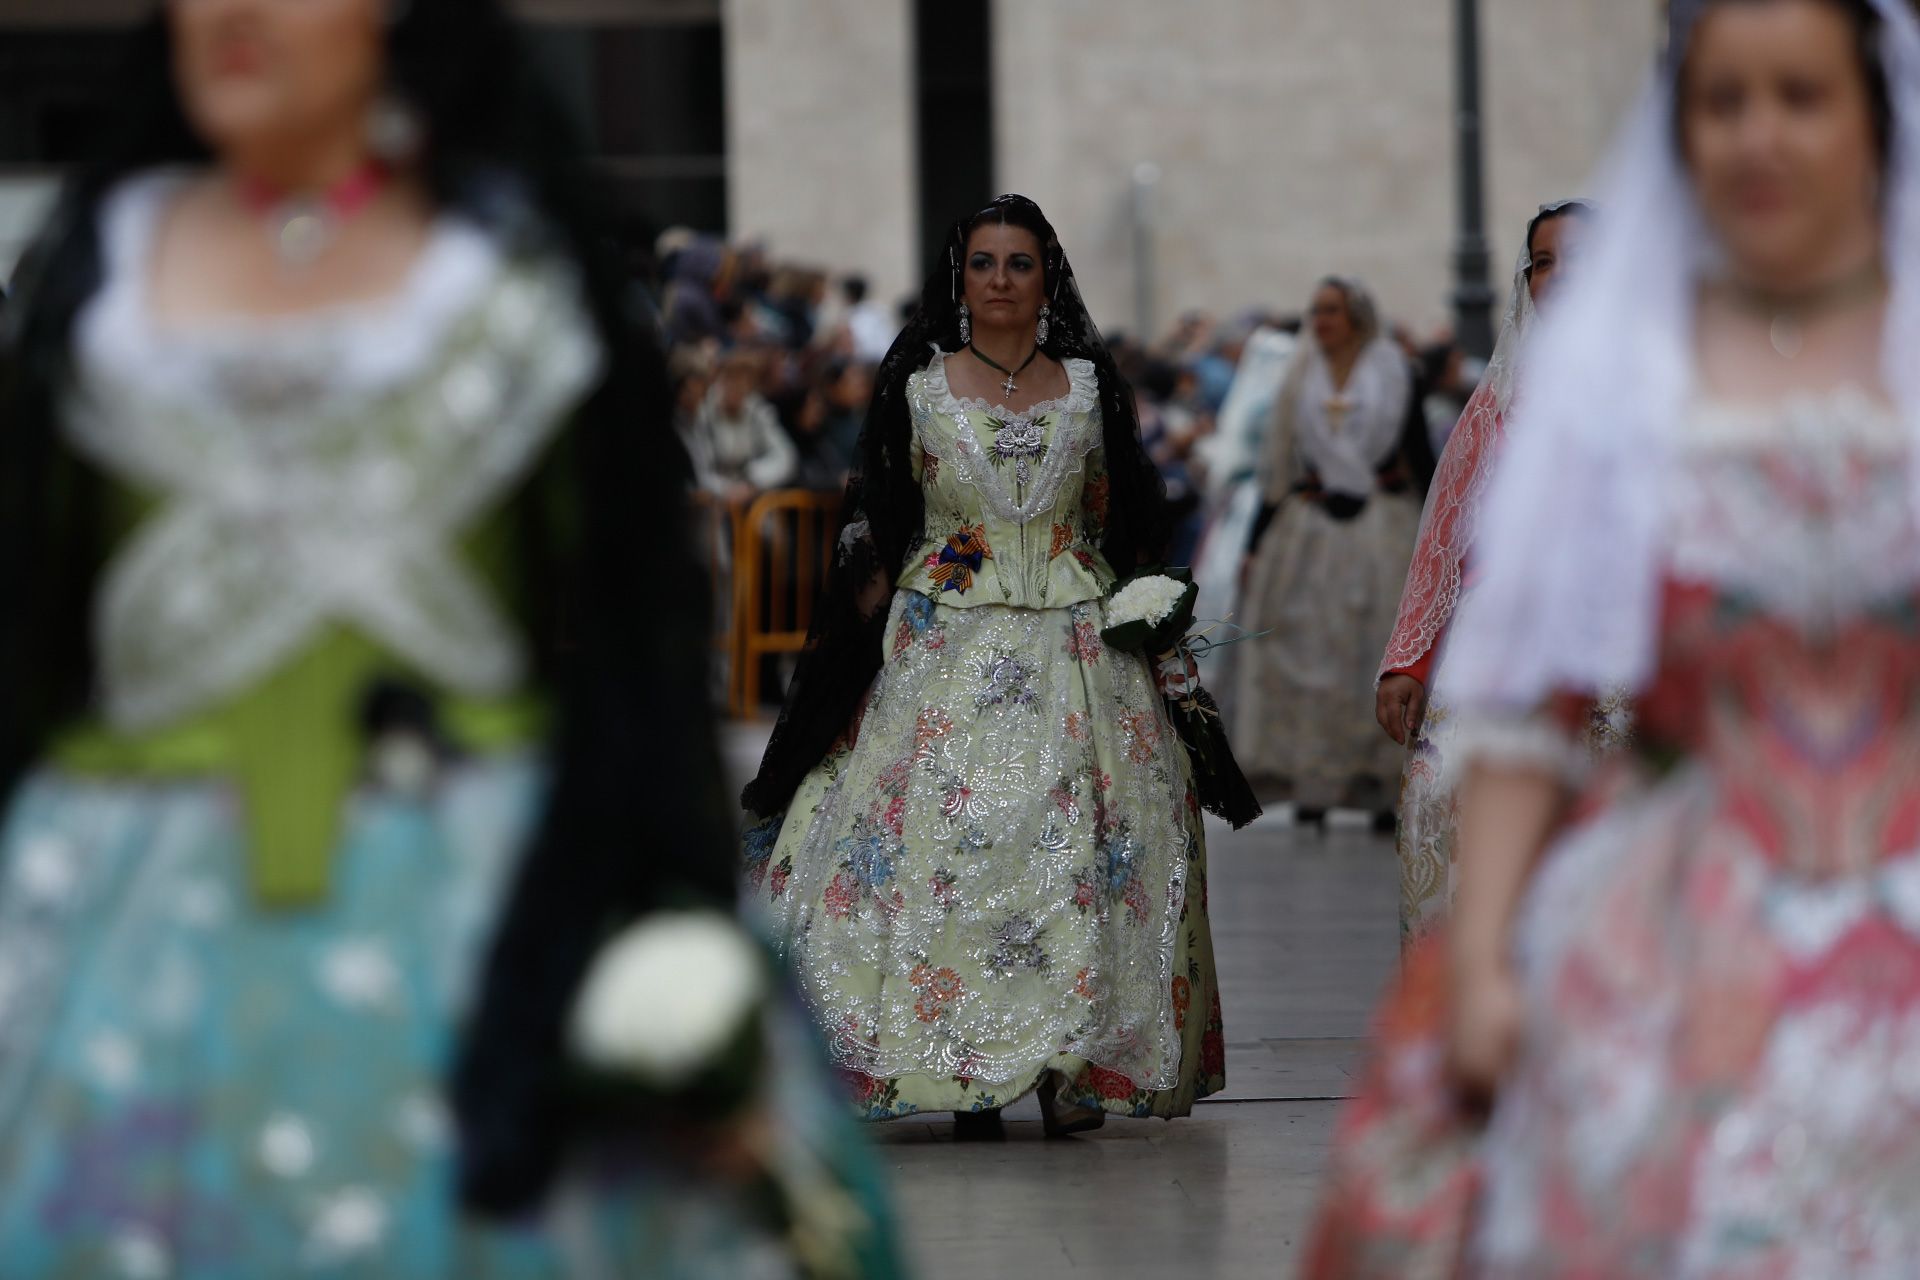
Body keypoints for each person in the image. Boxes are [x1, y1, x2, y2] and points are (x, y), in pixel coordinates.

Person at [0, 1, 899, 1273]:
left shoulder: (510, 286)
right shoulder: (94, 280)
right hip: (113, 929)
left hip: (477, 916)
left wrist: (667, 923)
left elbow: (640, 658)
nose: (233, 14)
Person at [1307, 0, 1920, 1272]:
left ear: (1874, 119)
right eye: (1723, 102)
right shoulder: (1610, 386)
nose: (1760, 136)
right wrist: (1479, 962)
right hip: (1684, 924)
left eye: (1801, 97)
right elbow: (1527, 697)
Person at [741, 195, 1256, 1139]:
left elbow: (1113, 511)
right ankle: (962, 1067)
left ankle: (1069, 1066)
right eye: (985, 263)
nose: (1003, 281)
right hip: (944, 639)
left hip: (1076, 640)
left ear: (1047, 277)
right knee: (950, 841)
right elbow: (885, 516)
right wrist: (855, 639)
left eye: (1021, 264)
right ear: (960, 276)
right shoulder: (921, 388)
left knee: (1083, 849)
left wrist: (1147, 611)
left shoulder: (1092, 388)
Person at [1374, 201, 1631, 943]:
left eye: (1577, 260)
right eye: (1542, 263)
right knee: (1449, 807)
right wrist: (1409, 661)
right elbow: (1446, 535)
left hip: (1615, 646)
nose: (1558, 277)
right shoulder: (1501, 400)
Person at [1235, 277, 1418, 826]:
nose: (1321, 321)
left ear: (1356, 316)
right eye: (1315, 311)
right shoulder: (1301, 375)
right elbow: (1279, 464)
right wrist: (1256, 540)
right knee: (1310, 653)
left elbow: (1419, 455)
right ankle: (1312, 779)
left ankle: (1381, 781)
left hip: (1381, 526)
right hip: (1311, 527)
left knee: (1375, 651)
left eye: (1332, 311)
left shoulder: (1393, 372)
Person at [685, 345, 799, 501]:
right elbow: (698, 468)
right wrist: (726, 490)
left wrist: (753, 479)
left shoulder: (758, 411)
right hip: (713, 502)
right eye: (731, 379)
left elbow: (785, 456)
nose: (736, 387)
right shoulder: (703, 413)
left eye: (743, 382)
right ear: (720, 380)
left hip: (751, 500)